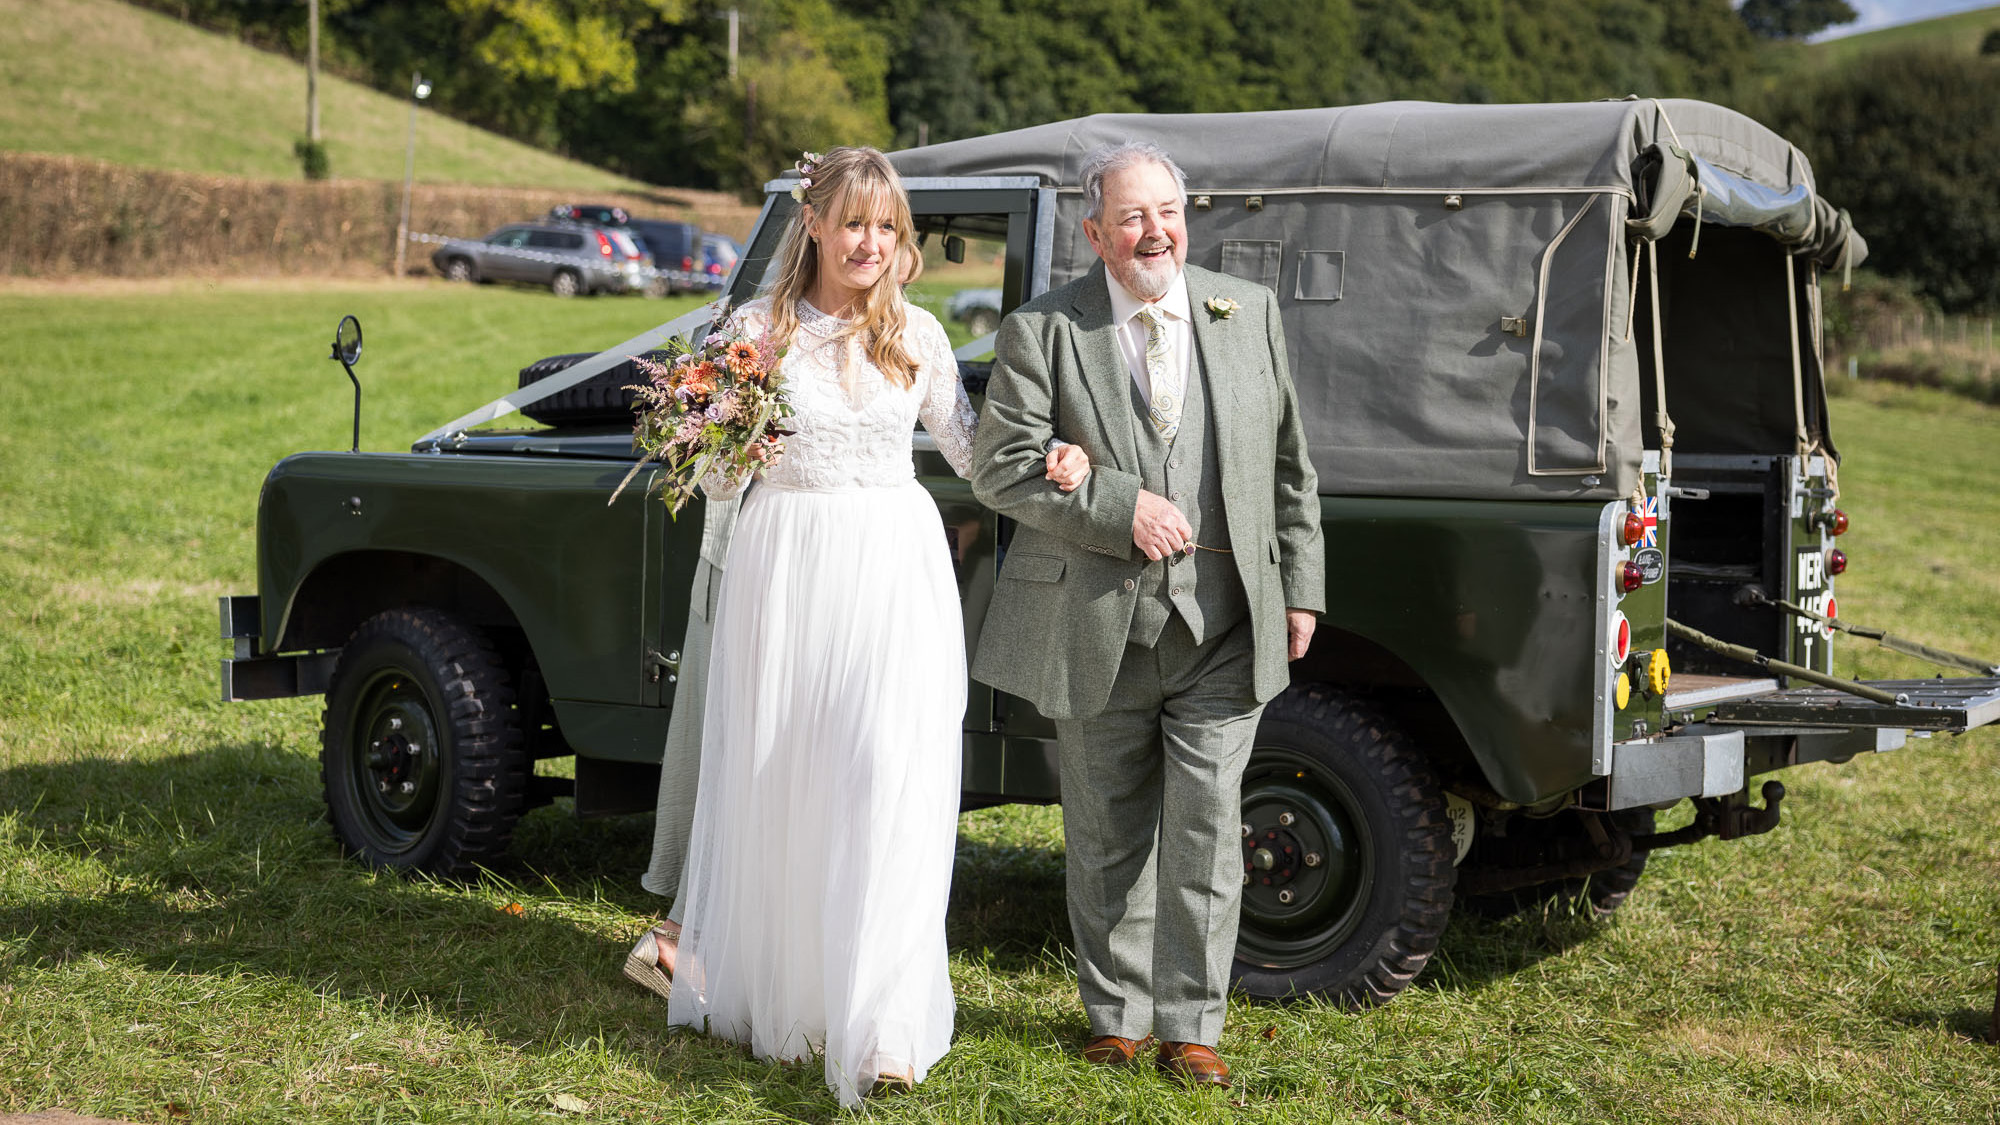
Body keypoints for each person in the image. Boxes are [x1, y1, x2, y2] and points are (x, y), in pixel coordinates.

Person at [623, 146, 1091, 1107]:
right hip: (784, 567)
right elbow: (717, 475)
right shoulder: (755, 330)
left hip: (889, 568)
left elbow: (971, 451)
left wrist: (1057, 461)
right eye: (854, 223)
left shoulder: (915, 334)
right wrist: (698, 427)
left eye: (888, 227)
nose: (871, 242)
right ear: (816, 226)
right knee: (786, 773)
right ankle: (790, 998)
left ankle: (882, 1018)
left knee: (887, 774)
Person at [968, 141, 1324, 1089]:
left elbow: (1291, 463)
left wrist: (1302, 585)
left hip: (1223, 625)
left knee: (1209, 829)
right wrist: (1118, 506)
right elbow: (1001, 467)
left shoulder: (1246, 312)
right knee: (1106, 831)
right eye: (1131, 217)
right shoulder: (1042, 331)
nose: (1154, 230)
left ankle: (1192, 1024)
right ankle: (1114, 1016)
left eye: (1166, 211)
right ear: (1095, 232)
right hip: (1094, 621)